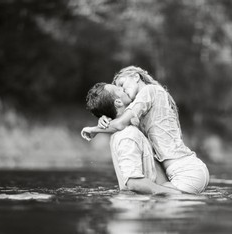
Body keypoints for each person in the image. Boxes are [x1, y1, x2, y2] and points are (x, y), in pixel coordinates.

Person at [81, 66, 209, 194]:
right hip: (184, 170)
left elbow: (120, 123)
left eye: (122, 84)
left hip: (186, 172)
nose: (122, 89)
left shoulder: (149, 91)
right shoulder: (141, 108)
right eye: (118, 88)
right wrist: (105, 117)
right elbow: (119, 114)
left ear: (136, 77)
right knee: (160, 201)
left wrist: (94, 129)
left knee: (162, 199)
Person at [84, 82, 181, 195]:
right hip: (140, 206)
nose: (123, 87)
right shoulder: (128, 136)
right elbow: (134, 183)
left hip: (148, 204)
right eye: (118, 89)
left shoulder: (129, 128)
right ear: (118, 102)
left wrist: (101, 121)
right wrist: (175, 193)